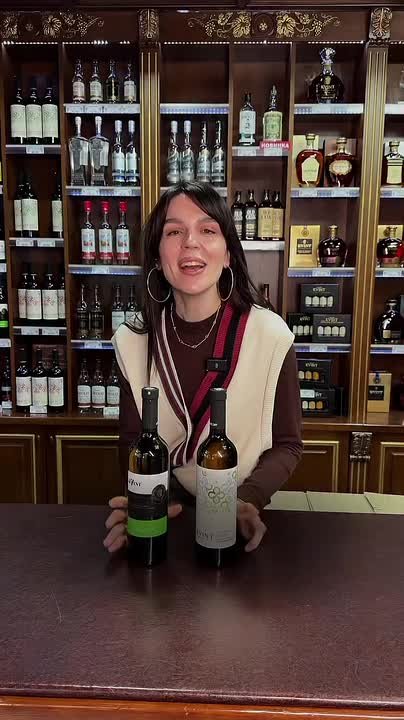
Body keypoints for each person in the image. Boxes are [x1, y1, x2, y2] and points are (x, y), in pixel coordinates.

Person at [104, 181, 302, 554]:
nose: (190, 243)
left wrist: (246, 501)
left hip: (237, 518)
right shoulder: (133, 341)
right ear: (157, 255)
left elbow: (287, 444)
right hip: (166, 514)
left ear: (228, 253)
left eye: (208, 230)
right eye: (174, 232)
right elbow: (132, 441)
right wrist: (144, 505)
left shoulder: (270, 335)